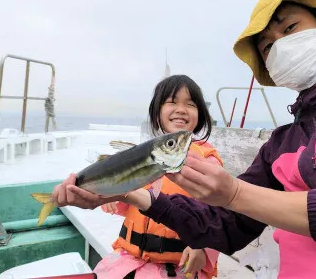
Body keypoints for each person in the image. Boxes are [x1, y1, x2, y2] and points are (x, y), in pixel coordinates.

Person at [53, 0, 316, 278]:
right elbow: (225, 226)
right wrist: (130, 192)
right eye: (267, 47)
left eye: (290, 27)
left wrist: (235, 194)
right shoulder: (280, 144)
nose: (279, 46)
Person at [56, 75, 222, 279]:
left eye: (191, 104)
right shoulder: (150, 154)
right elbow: (133, 203)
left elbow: (219, 211)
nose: (181, 109)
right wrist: (112, 198)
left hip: (177, 266)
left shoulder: (206, 159)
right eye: (172, 102)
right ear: (157, 112)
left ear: (201, 114)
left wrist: (203, 247)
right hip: (128, 260)